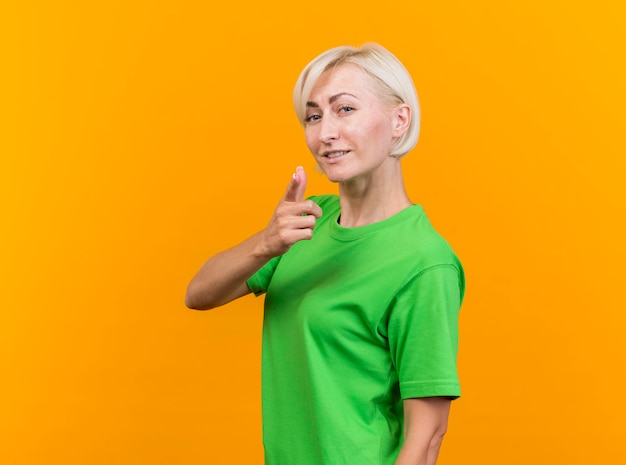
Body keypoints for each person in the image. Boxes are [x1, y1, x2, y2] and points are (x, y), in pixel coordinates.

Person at [186, 43, 465, 465]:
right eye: (313, 116)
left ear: (399, 119)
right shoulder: (306, 224)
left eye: (345, 110)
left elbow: (426, 439)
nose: (324, 132)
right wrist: (267, 243)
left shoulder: (424, 261)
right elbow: (199, 294)